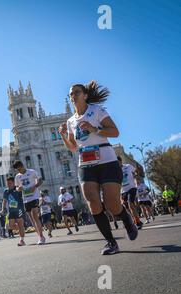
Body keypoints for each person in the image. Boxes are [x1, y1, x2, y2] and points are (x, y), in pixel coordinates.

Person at [59, 80, 137, 255]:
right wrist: (64, 135)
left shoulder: (97, 111)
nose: (73, 96)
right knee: (93, 203)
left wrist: (94, 129)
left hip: (107, 161)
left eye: (76, 92)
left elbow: (115, 132)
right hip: (86, 164)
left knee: (112, 205)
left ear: (85, 95)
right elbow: (73, 147)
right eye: (71, 93)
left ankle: (127, 219)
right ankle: (111, 242)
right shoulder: (71, 121)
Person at [13, 160, 46, 245]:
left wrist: (35, 186)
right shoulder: (17, 177)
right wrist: (18, 189)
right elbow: (16, 187)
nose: (19, 171)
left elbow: (40, 180)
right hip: (26, 199)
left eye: (19, 169)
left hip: (34, 197)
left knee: (35, 215)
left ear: (22, 166)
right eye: (17, 170)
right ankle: (39, 236)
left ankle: (41, 237)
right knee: (32, 219)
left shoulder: (32, 172)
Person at [117, 156, 143, 229]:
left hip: (131, 188)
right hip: (123, 190)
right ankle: (135, 220)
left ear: (121, 161)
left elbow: (135, 171)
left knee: (130, 203)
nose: (117, 164)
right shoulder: (115, 170)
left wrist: (136, 175)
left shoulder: (128, 166)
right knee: (126, 208)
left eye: (117, 162)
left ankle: (138, 222)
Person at [1, 176, 26, 246]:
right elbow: (4, 201)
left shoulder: (17, 189)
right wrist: (3, 209)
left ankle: (22, 240)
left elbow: (23, 191)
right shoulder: (6, 191)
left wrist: (20, 188)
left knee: (20, 224)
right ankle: (22, 229)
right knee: (10, 226)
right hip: (11, 211)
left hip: (19, 209)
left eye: (10, 183)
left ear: (14, 183)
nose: (8, 185)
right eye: (7, 183)